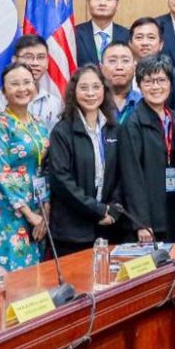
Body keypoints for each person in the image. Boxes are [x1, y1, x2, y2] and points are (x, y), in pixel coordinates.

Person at [42, 64, 122, 257]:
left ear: (104, 89)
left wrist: (114, 210)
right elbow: (61, 181)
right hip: (72, 232)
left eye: (96, 87)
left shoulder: (114, 129)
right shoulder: (63, 130)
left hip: (108, 228)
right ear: (74, 91)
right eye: (84, 88)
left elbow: (123, 174)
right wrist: (97, 210)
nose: (90, 93)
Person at [0, 63, 51, 273]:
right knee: (11, 270)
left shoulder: (38, 123)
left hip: (36, 205)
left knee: (34, 269)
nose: (22, 88)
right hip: (7, 207)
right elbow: (2, 173)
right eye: (14, 84)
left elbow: (45, 168)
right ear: (4, 91)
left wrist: (44, 210)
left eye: (27, 82)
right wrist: (29, 214)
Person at [116, 56, 175, 243]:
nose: (156, 87)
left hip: (174, 213)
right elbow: (131, 177)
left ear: (170, 83)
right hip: (148, 221)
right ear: (139, 85)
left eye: (161, 80)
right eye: (148, 81)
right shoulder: (132, 123)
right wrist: (142, 223)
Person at [0, 35, 64, 127]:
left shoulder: (54, 103)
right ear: (14, 60)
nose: (35, 63)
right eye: (28, 57)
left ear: (47, 62)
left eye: (41, 57)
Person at [73, 0, 129, 66]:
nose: (102, 3)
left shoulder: (128, 36)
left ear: (117, 4)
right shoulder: (74, 34)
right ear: (88, 3)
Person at [101, 41, 141, 121]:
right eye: (112, 61)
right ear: (101, 68)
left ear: (134, 67)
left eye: (125, 61)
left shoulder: (143, 102)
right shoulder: (94, 102)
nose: (119, 67)